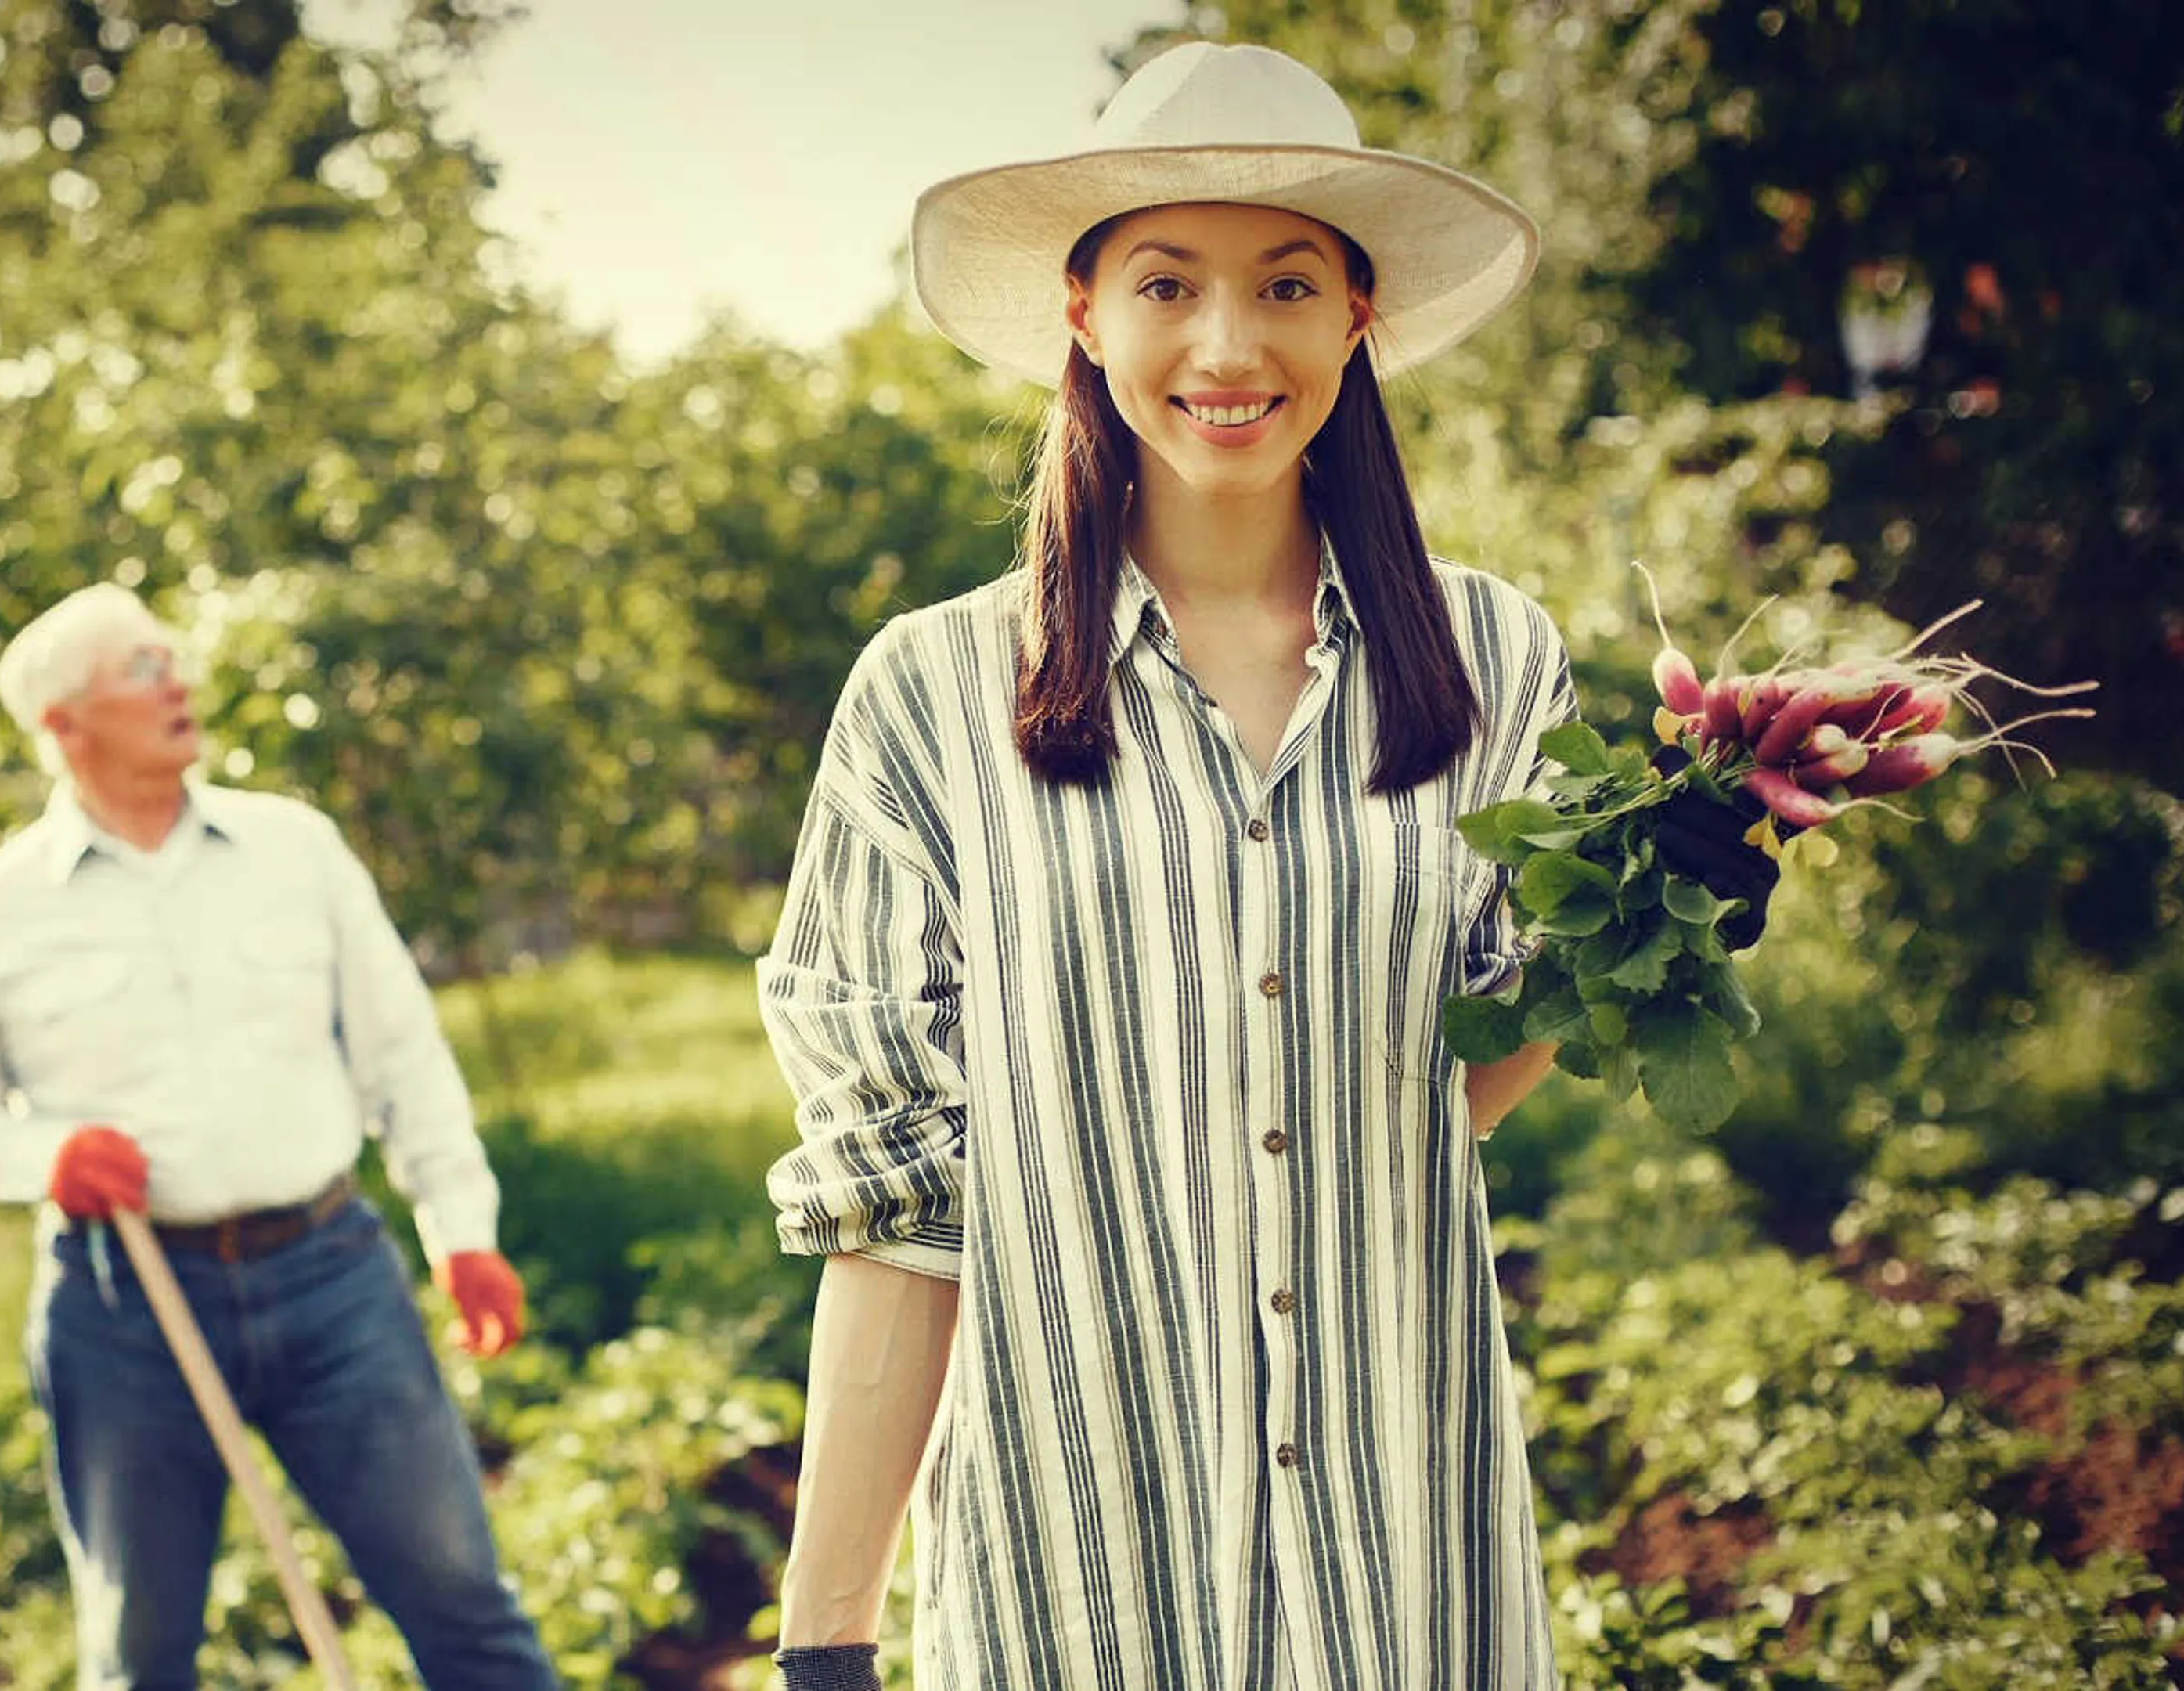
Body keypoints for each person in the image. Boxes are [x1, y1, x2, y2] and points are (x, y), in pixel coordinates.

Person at [751, 41, 1752, 1691]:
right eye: (1168, 283)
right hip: (1079, 1571)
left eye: (1287, 283)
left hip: (1404, 1556)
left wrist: (1654, 912)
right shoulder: (930, 699)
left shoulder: (1492, 658)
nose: (1229, 345)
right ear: (1086, 315)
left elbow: (1453, 1082)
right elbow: (900, 1214)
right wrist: (827, 1638)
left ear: (1360, 318)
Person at [0, 582, 557, 1691]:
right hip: (124, 1310)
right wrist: (42, 1159)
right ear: (62, 724)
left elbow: (404, 1054)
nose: (180, 684)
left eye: (173, 660)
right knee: (140, 1658)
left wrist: (462, 1229)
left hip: (332, 1278)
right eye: (142, 671)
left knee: (465, 1610)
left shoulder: (298, 850)